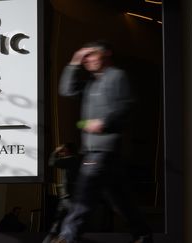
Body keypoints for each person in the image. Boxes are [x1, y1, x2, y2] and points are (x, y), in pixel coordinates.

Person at [50, 41, 153, 243]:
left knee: (83, 194)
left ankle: (67, 237)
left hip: (102, 148)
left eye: (92, 55)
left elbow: (127, 104)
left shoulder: (117, 76)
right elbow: (66, 90)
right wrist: (73, 63)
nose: (88, 60)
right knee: (121, 199)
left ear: (106, 54)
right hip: (97, 152)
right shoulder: (90, 83)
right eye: (85, 57)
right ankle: (142, 234)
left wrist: (104, 123)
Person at [43, 143, 80, 242]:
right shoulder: (75, 160)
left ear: (67, 150)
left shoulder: (72, 159)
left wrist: (55, 151)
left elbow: (52, 162)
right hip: (68, 198)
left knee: (65, 225)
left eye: (63, 150)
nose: (61, 153)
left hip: (70, 198)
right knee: (60, 224)